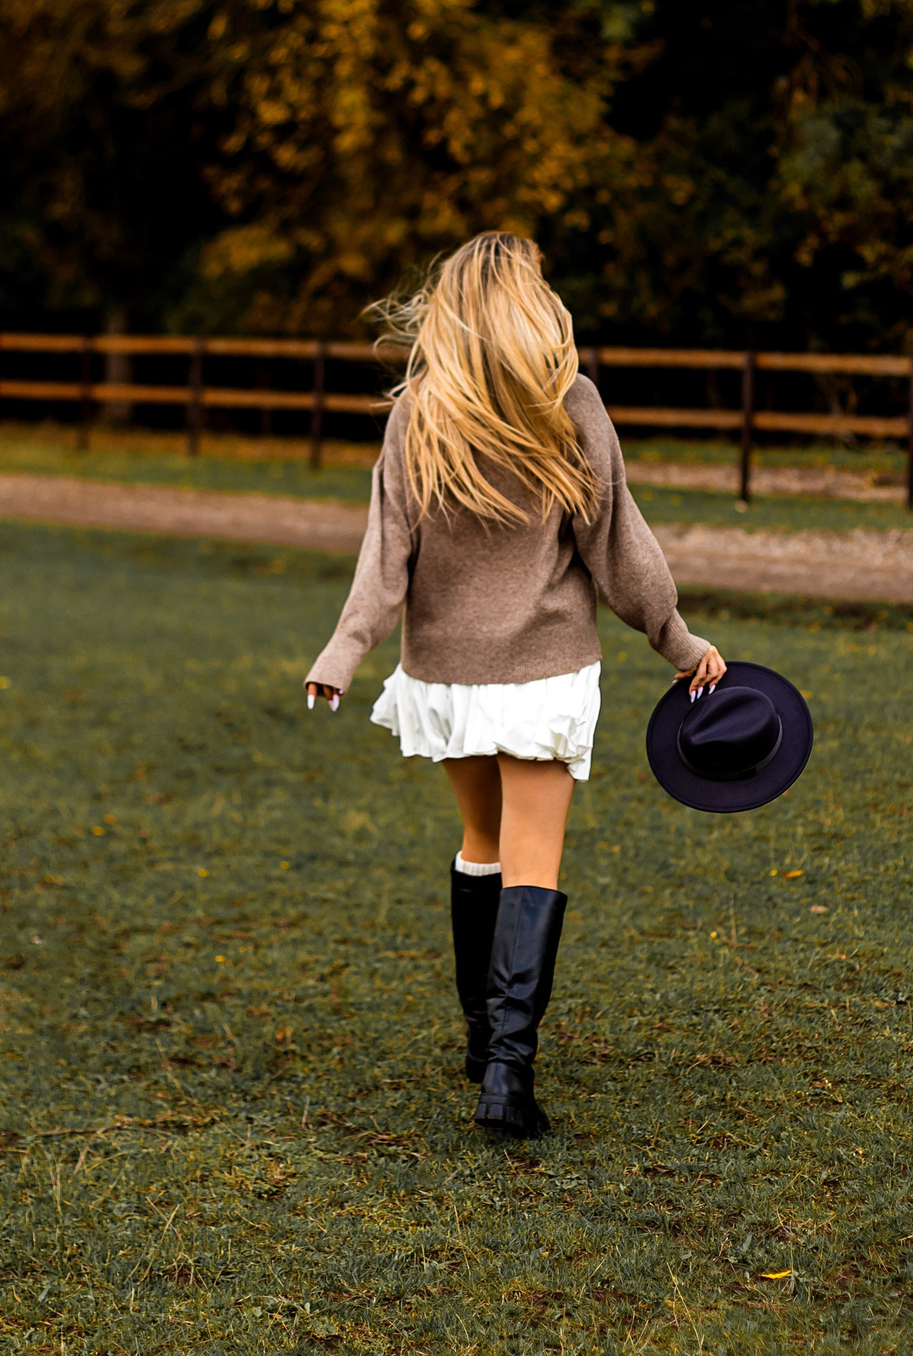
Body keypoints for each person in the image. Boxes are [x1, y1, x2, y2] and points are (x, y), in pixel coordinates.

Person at [303, 233, 726, 1140]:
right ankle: (507, 1076)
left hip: (448, 679)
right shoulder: (569, 405)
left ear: (451, 311)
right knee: (533, 861)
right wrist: (678, 640)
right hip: (541, 673)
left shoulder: (420, 413)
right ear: (530, 305)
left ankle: (480, 1041)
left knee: (481, 842)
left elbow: (385, 561)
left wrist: (341, 653)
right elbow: (622, 550)